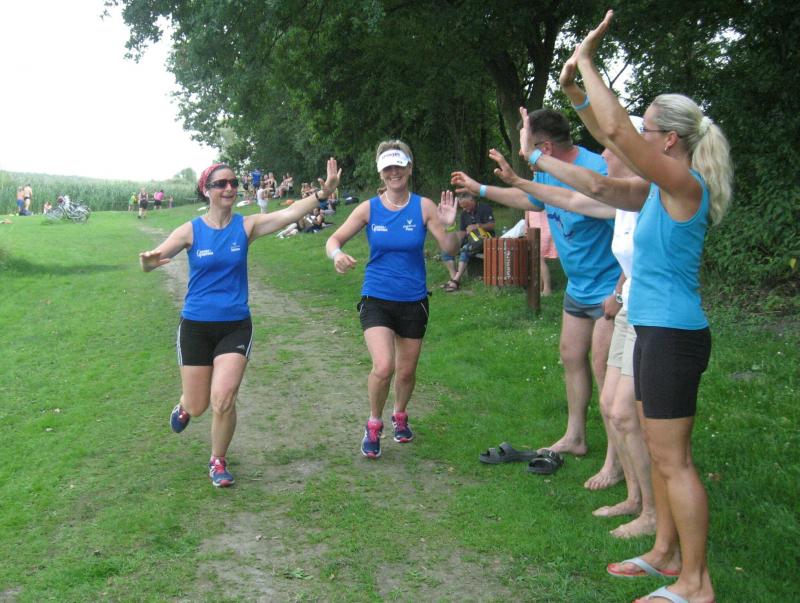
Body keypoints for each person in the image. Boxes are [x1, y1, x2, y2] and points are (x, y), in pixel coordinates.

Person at [541, 12, 733, 603]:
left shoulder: (683, 186)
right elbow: (608, 158)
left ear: (669, 140)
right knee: (659, 450)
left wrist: (588, 60)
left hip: (674, 334)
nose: (636, 138)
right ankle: (664, 552)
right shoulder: (655, 189)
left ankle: (696, 583)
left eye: (649, 130)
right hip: (651, 329)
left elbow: (618, 134)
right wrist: (577, 94)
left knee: (675, 462)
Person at [489, 113, 656, 539]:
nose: (604, 155)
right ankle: (633, 493)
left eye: (611, 149)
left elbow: (594, 197)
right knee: (603, 391)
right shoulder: (620, 194)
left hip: (632, 306)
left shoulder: (634, 189)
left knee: (619, 403)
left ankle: (634, 489)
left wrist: (617, 294)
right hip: (610, 297)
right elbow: (569, 200)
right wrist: (512, 180)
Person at [139, 158, 341, 487]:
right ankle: (186, 405)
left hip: (234, 326)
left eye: (233, 182)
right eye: (221, 184)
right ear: (206, 190)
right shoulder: (190, 230)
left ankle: (218, 460)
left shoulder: (246, 227)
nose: (229, 188)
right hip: (195, 327)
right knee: (199, 405)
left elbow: (289, 214)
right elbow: (153, 260)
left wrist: (324, 192)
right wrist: (148, 263)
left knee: (223, 398)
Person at [452, 109, 620, 478]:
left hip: (609, 286)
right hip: (579, 286)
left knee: (605, 370)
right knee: (571, 356)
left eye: (526, 143)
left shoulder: (598, 170)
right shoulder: (546, 169)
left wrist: (622, 289)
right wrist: (481, 189)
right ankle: (576, 436)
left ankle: (616, 459)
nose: (522, 151)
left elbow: (628, 230)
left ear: (544, 147)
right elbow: (532, 199)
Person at [325, 140, 458, 459]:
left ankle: (400, 414)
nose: (394, 172)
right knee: (384, 366)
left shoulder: (424, 207)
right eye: (388, 167)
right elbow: (334, 238)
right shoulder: (369, 209)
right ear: (380, 172)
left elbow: (450, 249)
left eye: (399, 166)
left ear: (409, 169)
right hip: (377, 297)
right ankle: (374, 423)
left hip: (413, 299)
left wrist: (450, 225)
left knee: (406, 372)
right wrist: (337, 254)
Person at [440, 192, 495, 292]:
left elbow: (492, 225)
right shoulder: (464, 214)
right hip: (470, 239)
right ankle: (453, 277)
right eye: (462, 207)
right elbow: (463, 231)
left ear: (472, 201)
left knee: (466, 249)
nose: (465, 209)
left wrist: (477, 226)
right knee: (447, 249)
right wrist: (456, 239)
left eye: (466, 206)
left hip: (485, 240)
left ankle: (456, 281)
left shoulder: (484, 208)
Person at [525, 210, 558, 295]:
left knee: (539, 259)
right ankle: (540, 288)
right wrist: (526, 225)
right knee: (538, 259)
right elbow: (527, 209)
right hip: (536, 226)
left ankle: (547, 289)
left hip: (542, 228)